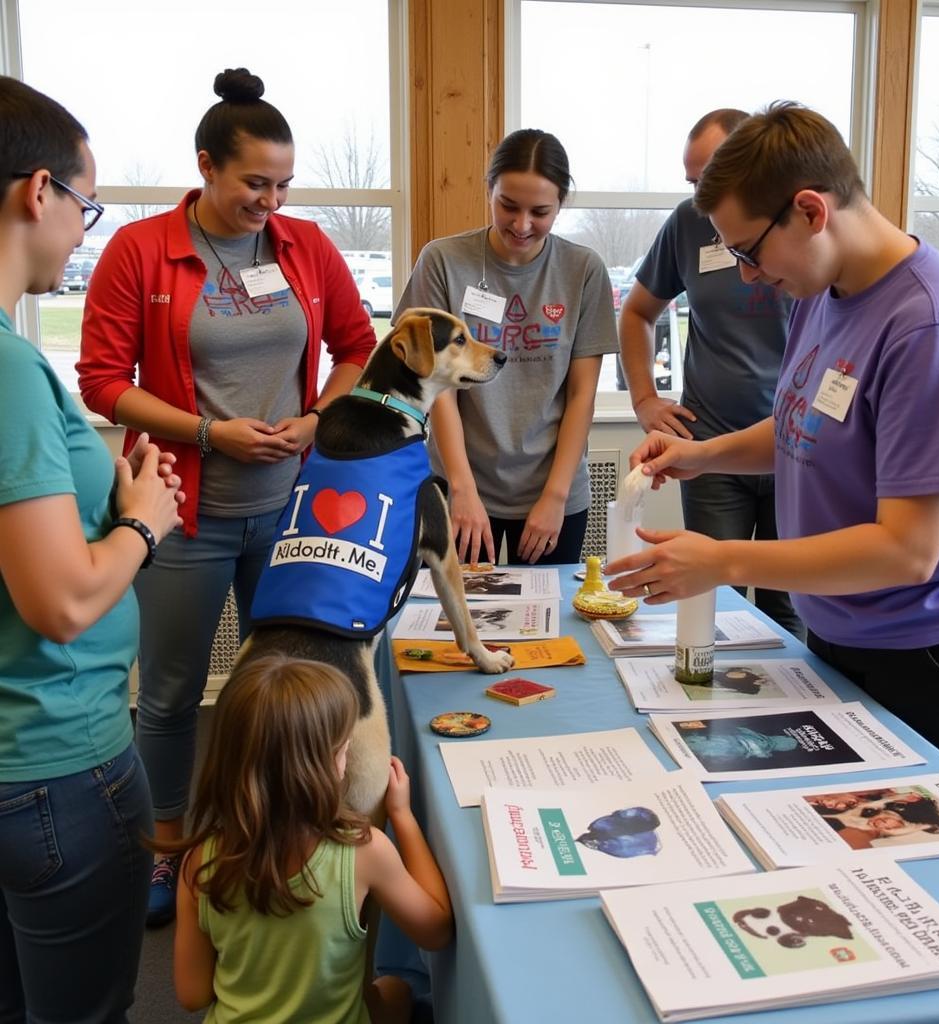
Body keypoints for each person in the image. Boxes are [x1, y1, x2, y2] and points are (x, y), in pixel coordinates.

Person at [607, 101, 939, 794]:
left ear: (809, 210)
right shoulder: (822, 291)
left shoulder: (930, 328)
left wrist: (723, 560)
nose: (744, 274)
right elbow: (803, 423)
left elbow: (907, 550)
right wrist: (704, 454)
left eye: (749, 251)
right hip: (843, 634)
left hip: (935, 659)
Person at [78, 68, 377, 925]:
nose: (270, 201)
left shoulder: (307, 245)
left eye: (283, 184)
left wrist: (320, 416)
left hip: (291, 509)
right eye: (255, 183)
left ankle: (279, 834)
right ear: (205, 166)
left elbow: (358, 346)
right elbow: (102, 380)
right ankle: (167, 850)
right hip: (181, 508)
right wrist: (207, 433)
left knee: (288, 683)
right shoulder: (141, 251)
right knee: (171, 694)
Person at [0, 77, 184, 1021]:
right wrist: (141, 521)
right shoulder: (10, 368)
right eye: (84, 205)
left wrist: (103, 494)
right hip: (52, 761)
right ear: (39, 192)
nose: (81, 230)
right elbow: (63, 602)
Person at [171, 655, 453, 1024]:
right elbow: (436, 930)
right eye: (343, 750)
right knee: (398, 991)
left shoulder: (199, 863)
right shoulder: (362, 852)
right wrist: (403, 817)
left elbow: (192, 995)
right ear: (320, 768)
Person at [395, 129, 618, 566]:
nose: (521, 225)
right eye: (508, 206)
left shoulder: (583, 269)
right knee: (450, 624)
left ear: (562, 203)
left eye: (540, 211)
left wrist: (555, 497)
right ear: (489, 190)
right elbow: (439, 388)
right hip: (457, 483)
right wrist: (461, 490)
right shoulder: (442, 261)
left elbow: (581, 396)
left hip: (552, 490)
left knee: (547, 628)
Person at [618, 108, 802, 638]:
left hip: (792, 450)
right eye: (694, 183)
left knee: (786, 605)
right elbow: (636, 312)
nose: (702, 196)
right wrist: (644, 400)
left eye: (711, 178)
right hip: (711, 447)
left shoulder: (793, 235)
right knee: (708, 599)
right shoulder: (688, 223)